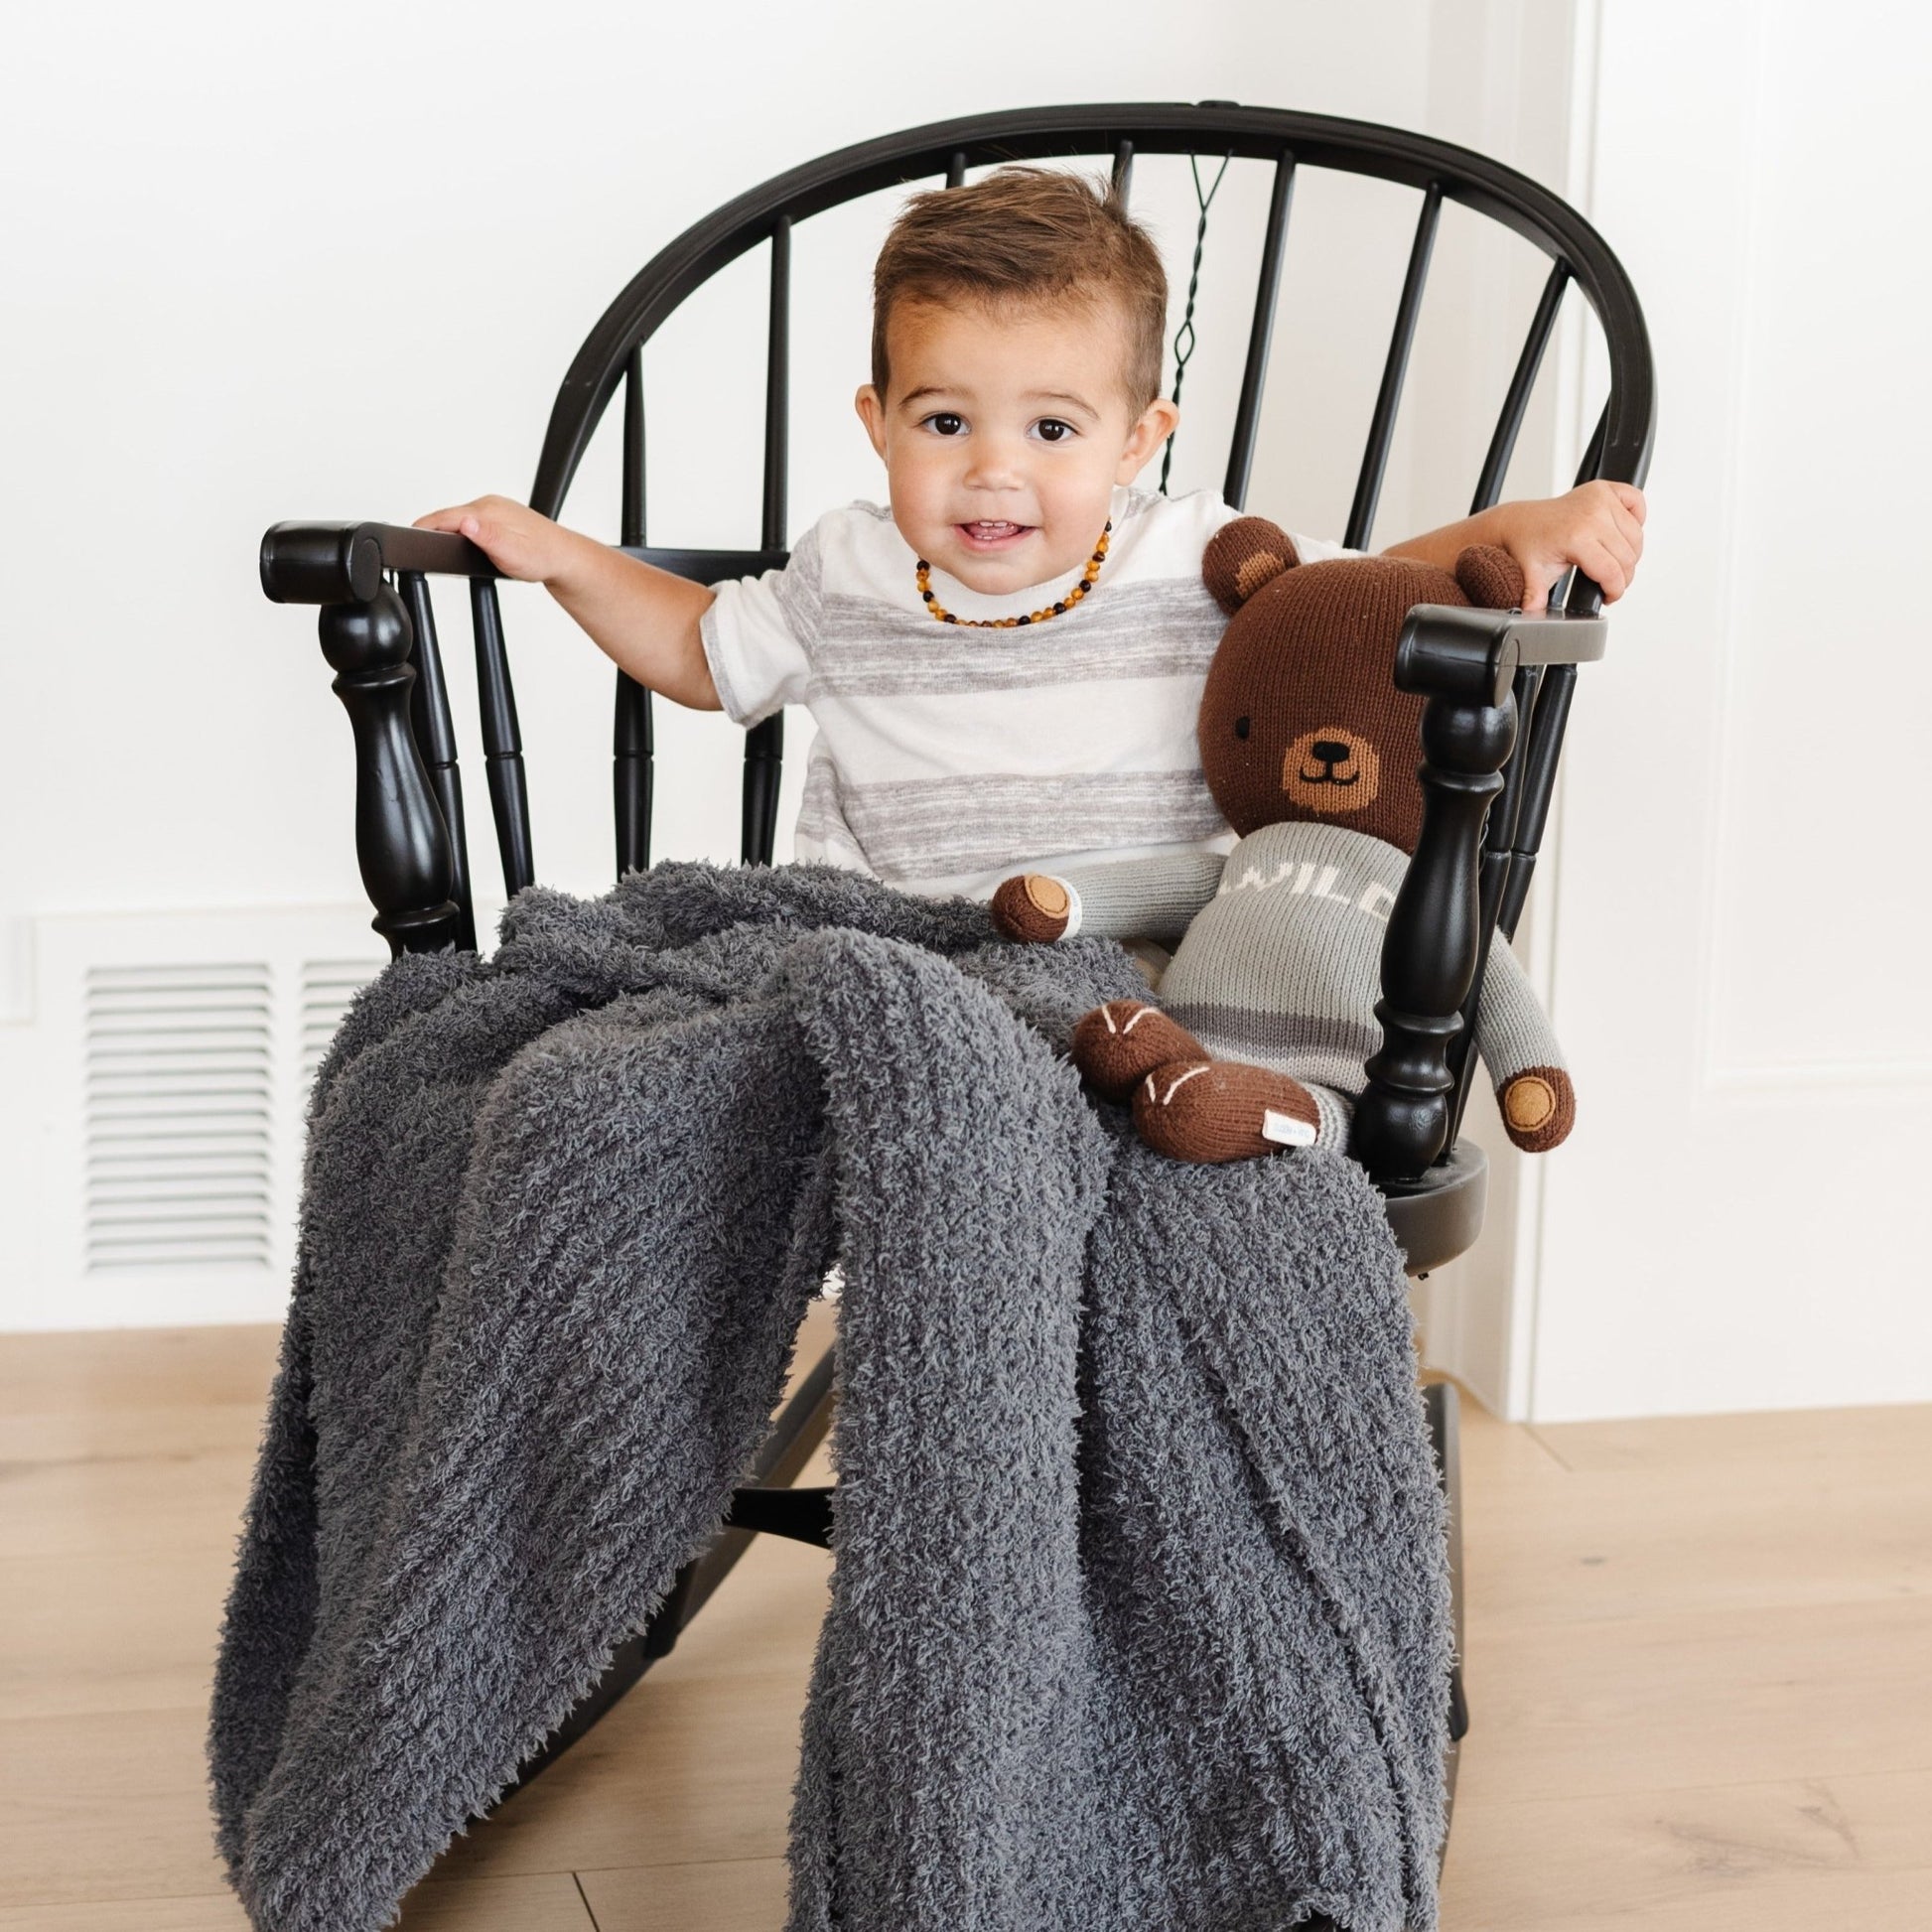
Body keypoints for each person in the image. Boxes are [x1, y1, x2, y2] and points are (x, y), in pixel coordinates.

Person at [417, 167, 1644, 899]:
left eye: (1051, 428)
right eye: (944, 420)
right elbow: (698, 649)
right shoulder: (847, 570)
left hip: (1131, 970)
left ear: (1135, 441)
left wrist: (1512, 524)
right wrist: (563, 556)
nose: (992, 469)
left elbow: (1359, 599)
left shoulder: (1189, 555)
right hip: (896, 963)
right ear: (878, 424)